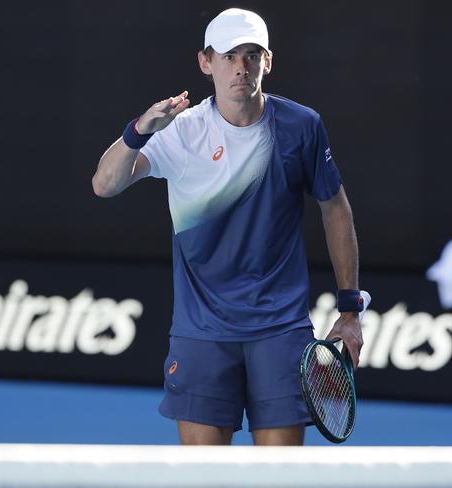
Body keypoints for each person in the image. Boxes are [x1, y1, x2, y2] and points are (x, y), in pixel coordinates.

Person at [93, 8, 364, 446]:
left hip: (280, 329)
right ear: (206, 62)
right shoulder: (180, 132)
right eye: (229, 55)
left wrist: (350, 311)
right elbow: (104, 185)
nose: (241, 67)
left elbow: (336, 209)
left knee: (280, 480)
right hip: (202, 332)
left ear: (267, 61)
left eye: (252, 54)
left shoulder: (301, 127)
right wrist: (139, 131)